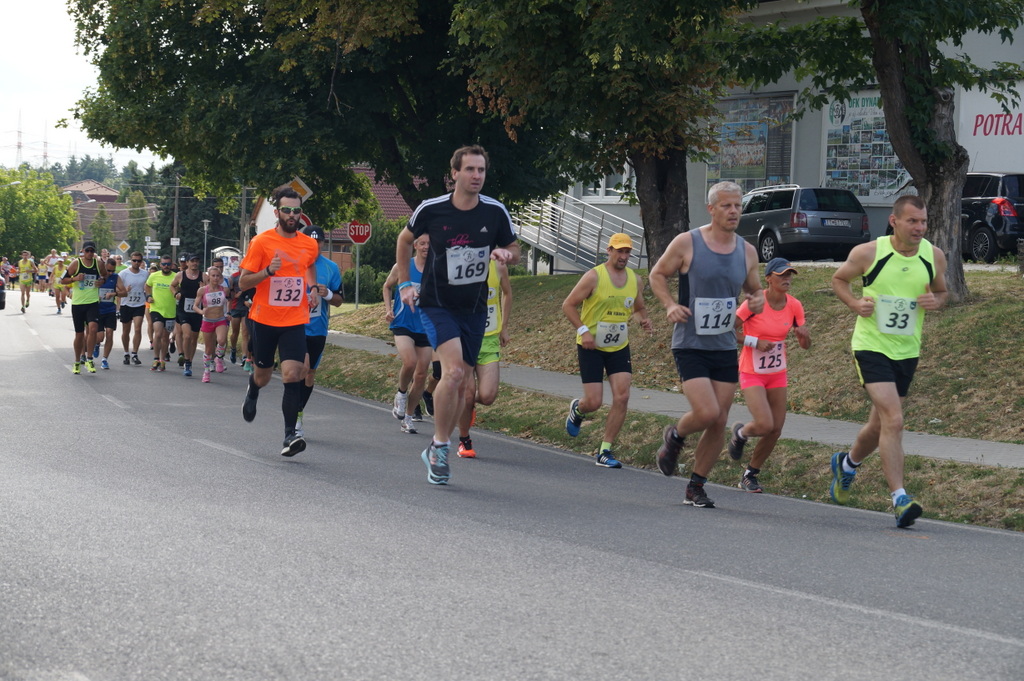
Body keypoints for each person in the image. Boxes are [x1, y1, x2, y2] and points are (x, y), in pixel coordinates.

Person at [395, 144, 520, 485]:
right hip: (437, 304)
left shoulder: (495, 212)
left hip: (475, 309)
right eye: (470, 170)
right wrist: (406, 283)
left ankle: (439, 443)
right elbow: (404, 240)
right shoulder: (431, 209)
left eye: (481, 170)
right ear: (455, 174)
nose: (476, 176)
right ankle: (439, 446)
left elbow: (515, 248)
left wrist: (507, 256)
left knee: (464, 382)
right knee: (451, 375)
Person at [829, 195, 947, 528]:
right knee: (894, 420)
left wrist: (934, 301)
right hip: (871, 346)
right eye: (913, 221)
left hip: (907, 350)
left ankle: (847, 465)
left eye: (923, 221)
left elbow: (942, 291)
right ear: (894, 221)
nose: (920, 228)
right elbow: (839, 280)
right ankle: (900, 499)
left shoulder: (933, 255)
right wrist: (855, 304)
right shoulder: (869, 252)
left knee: (879, 425)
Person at [648, 181, 764, 508]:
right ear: (711, 209)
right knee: (707, 411)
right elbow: (657, 275)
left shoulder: (746, 251)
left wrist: (755, 301)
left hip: (724, 345)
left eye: (738, 206)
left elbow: (754, 290)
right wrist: (670, 304)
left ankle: (695, 486)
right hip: (690, 343)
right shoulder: (688, 243)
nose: (733, 212)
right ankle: (675, 436)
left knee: (719, 420)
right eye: (726, 206)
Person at [237, 186, 320, 457]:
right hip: (264, 320)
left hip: (295, 320)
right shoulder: (261, 243)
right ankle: (253, 386)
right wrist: (267, 272)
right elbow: (243, 281)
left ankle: (289, 435)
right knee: (263, 376)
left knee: (293, 374)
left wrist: (313, 288)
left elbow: (309, 264)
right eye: (286, 210)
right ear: (277, 212)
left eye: (296, 210)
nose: (292, 214)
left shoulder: (309, 243)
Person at [562, 233, 652, 468]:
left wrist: (643, 319)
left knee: (622, 396)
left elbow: (639, 307)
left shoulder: (635, 280)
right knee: (593, 402)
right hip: (591, 346)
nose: (623, 256)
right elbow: (568, 305)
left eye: (627, 252)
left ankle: (605, 451)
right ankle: (578, 409)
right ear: (609, 250)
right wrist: (584, 331)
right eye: (619, 251)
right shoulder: (593, 276)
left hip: (618, 346)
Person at [727, 257, 812, 493]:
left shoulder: (794, 305)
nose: (787, 279)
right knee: (764, 423)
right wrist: (754, 341)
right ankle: (741, 432)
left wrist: (804, 337)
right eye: (782, 275)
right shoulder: (755, 302)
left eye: (790, 275)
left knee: (776, 429)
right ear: (768, 279)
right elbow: (726, 329)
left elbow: (805, 345)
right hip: (751, 371)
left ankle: (750, 474)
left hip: (776, 372)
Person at [453, 259, 514, 458]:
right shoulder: (460, 264)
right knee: (468, 393)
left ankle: (463, 404)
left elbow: (507, 293)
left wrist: (504, 327)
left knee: (488, 396)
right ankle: (464, 440)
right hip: (465, 339)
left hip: (489, 340)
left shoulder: (498, 266)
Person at [295, 224, 344, 435]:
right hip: (294, 326)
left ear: (323, 243)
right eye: (310, 240)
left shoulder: (331, 267)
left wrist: (328, 294)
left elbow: (340, 300)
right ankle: (294, 416)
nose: (315, 244)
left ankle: (297, 412)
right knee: (302, 369)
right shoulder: (292, 262)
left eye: (319, 241)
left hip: (317, 329)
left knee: (310, 373)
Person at [383, 234, 432, 435]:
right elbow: (387, 286)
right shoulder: (403, 267)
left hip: (426, 326)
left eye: (429, 244)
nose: (426, 247)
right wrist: (388, 309)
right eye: (422, 243)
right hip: (403, 323)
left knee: (421, 375)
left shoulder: (436, 270)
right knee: (410, 362)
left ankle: (409, 417)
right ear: (415, 245)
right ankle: (401, 393)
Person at [61, 242, 108, 375]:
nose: (89, 253)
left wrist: (102, 281)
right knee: (79, 334)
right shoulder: (76, 263)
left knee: (93, 329)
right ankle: (77, 361)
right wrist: (75, 278)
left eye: (92, 251)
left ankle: (90, 359)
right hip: (78, 303)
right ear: (83, 251)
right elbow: (62, 280)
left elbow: (105, 275)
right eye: (87, 251)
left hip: (92, 302)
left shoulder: (98, 264)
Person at [193, 266, 230, 383]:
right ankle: (206, 371)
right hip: (208, 321)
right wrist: (201, 311)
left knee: (222, 340)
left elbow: (229, 301)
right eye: (213, 275)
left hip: (220, 319)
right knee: (208, 350)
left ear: (221, 277)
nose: (215, 278)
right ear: (208, 277)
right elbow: (195, 306)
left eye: (217, 276)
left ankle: (219, 358)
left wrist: (228, 312)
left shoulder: (224, 289)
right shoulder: (203, 290)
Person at [171, 253, 204, 376]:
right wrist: (175, 294)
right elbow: (172, 286)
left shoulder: (203, 276)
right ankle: (186, 360)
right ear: (188, 263)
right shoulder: (181, 275)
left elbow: (210, 290)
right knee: (187, 335)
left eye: (196, 261)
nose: (194, 263)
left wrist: (204, 288)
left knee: (194, 338)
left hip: (196, 310)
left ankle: (190, 360)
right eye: (192, 261)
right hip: (183, 310)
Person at [145, 255, 177, 372]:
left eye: (168, 264)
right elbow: (147, 286)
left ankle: (162, 360)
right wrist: (148, 296)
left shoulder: (176, 277)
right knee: (158, 333)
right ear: (160, 265)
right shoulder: (154, 276)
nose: (166, 266)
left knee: (165, 336)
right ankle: (155, 358)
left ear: (172, 265)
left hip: (170, 311)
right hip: (156, 309)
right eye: (164, 264)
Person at [116, 252, 148, 365]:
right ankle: (126, 353)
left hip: (139, 304)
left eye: (138, 261)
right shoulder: (123, 273)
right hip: (126, 305)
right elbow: (118, 291)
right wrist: (125, 290)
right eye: (134, 260)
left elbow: (148, 287)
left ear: (141, 262)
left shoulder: (145, 274)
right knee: (126, 330)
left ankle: (135, 353)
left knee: (138, 329)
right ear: (130, 260)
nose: (136, 263)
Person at [227, 269, 255, 369]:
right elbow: (229, 294)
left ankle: (244, 356)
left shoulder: (251, 276)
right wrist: (235, 296)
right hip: (235, 307)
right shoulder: (234, 277)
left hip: (246, 307)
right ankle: (233, 348)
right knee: (235, 332)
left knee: (245, 332)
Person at [96, 258, 120, 370]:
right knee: (100, 338)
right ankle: (96, 344)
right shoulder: (97, 276)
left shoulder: (116, 277)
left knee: (110, 333)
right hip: (98, 310)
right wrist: (96, 297)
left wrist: (114, 293)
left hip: (110, 309)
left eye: (112, 271)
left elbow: (124, 292)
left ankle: (104, 359)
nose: (110, 273)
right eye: (108, 270)